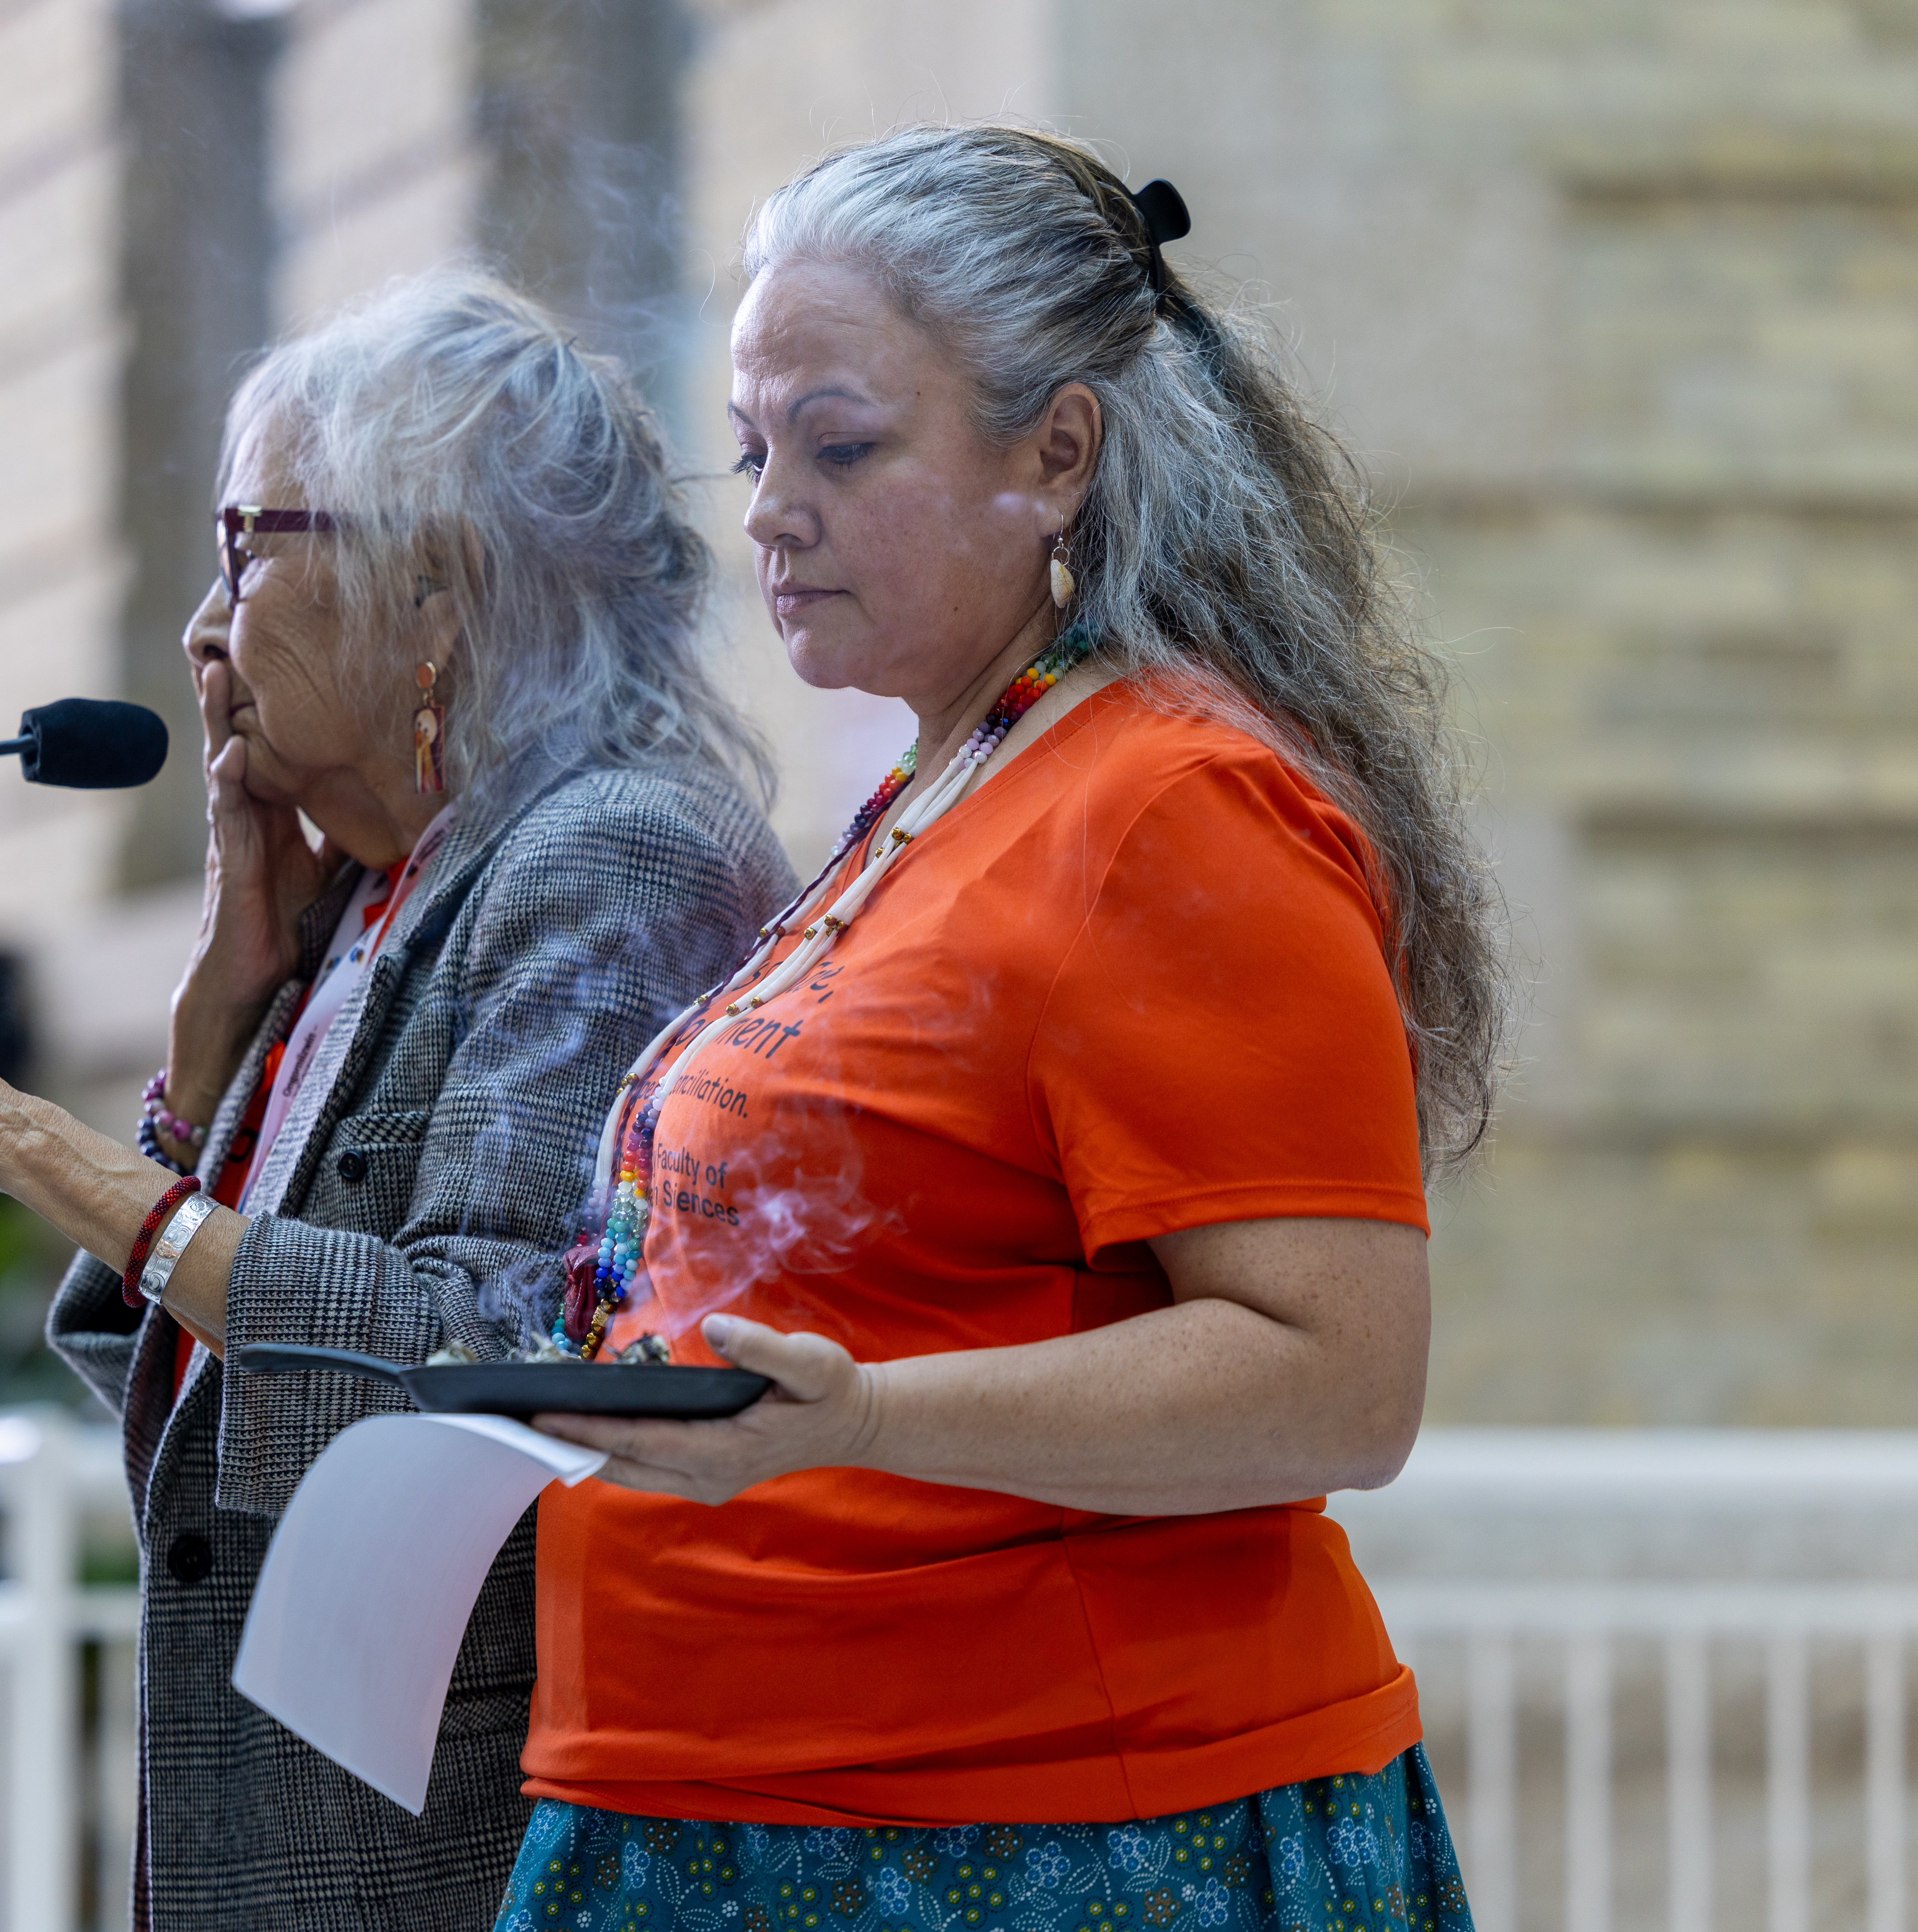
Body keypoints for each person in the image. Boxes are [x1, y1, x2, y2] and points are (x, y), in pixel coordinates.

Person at [499, 126, 1506, 1932]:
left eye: (842, 443)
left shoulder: (1169, 807)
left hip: (1036, 1837)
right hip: (766, 1803)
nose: (769, 510)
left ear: (1058, 456)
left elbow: (1340, 1379)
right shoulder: (950, 782)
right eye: (751, 450)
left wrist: (861, 1419)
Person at [0, 272, 792, 1932]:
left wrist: (17, 1131)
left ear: (433, 591)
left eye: (249, 546)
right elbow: (169, 1392)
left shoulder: (607, 853)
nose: (202, 630)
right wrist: (214, 1038)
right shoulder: (367, 895)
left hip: (447, 1855)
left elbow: (473, 1352)